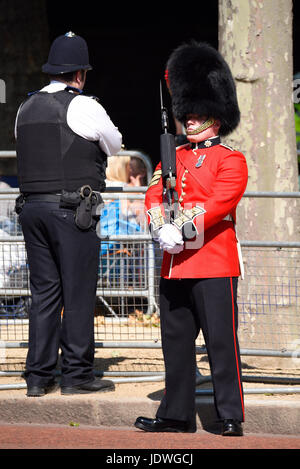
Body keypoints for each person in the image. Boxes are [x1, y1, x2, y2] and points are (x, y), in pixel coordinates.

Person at [135, 42, 248, 436]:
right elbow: (153, 193)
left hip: (214, 263)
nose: (192, 119)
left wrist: (179, 228)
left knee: (221, 345)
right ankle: (176, 414)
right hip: (174, 264)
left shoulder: (230, 160)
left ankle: (229, 414)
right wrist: (156, 225)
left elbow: (218, 204)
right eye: (188, 113)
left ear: (216, 116)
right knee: (176, 346)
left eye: (199, 113)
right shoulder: (173, 155)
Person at [14, 32, 122, 397]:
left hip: (31, 210)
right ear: (80, 73)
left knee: (44, 293)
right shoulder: (83, 105)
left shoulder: (24, 107)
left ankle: (38, 377)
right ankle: (76, 376)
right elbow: (116, 143)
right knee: (77, 293)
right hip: (71, 210)